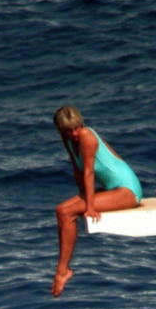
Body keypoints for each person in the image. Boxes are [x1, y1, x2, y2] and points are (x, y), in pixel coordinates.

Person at [50, 105, 142, 297]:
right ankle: (62, 270)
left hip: (128, 190)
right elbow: (78, 170)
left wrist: (89, 207)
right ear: (61, 130)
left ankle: (62, 271)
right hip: (112, 189)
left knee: (67, 212)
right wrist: (82, 197)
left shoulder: (85, 136)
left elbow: (89, 172)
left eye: (77, 128)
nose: (75, 133)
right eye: (69, 130)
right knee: (61, 210)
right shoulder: (67, 140)